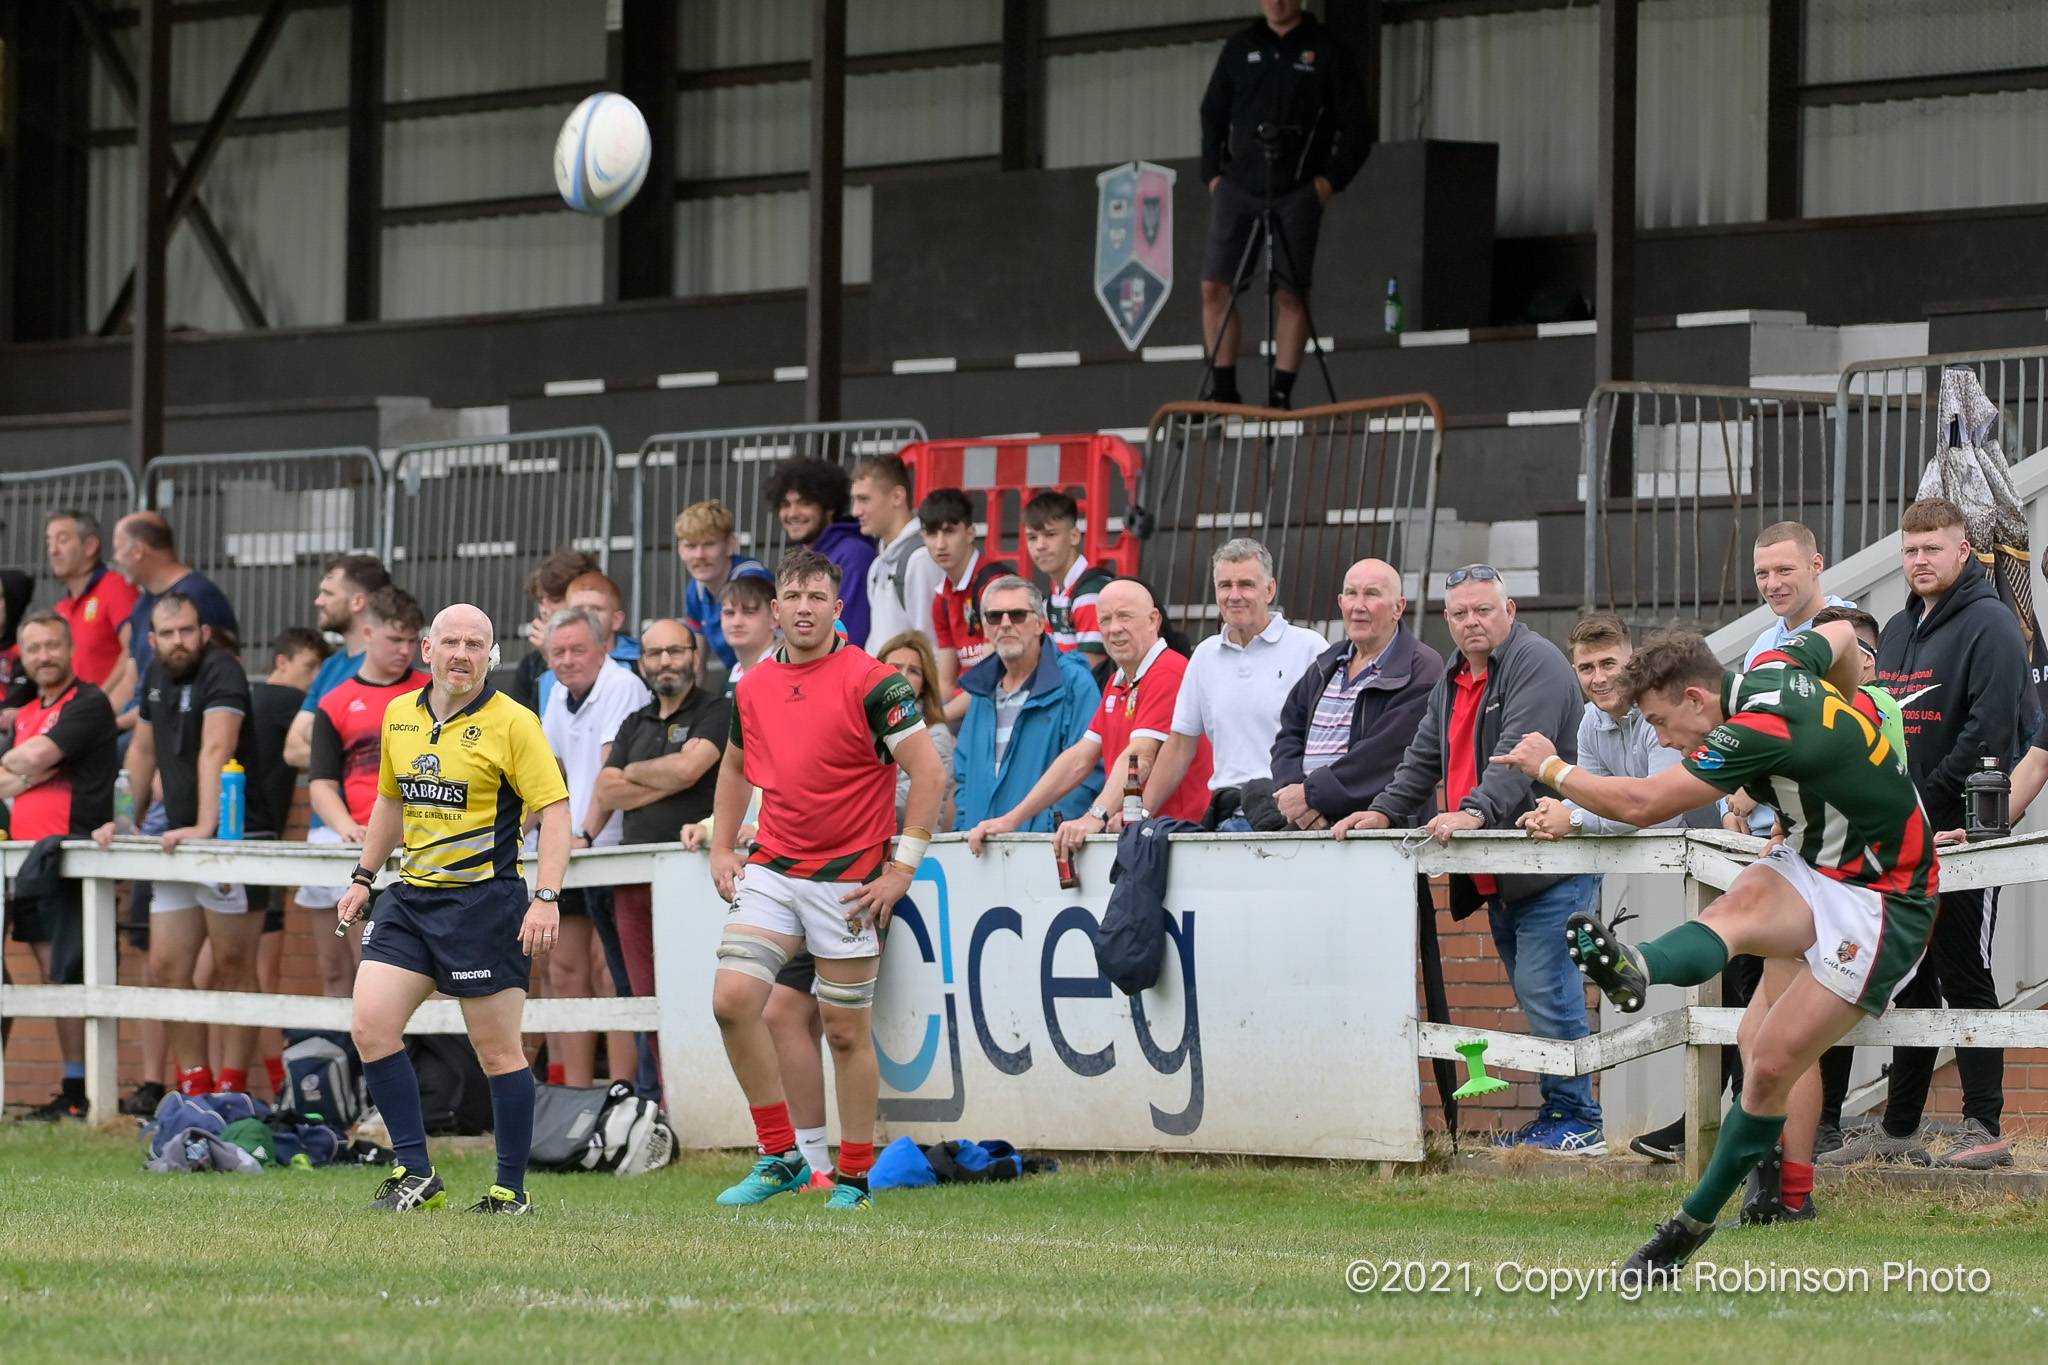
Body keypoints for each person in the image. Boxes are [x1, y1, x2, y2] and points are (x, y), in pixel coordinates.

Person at [1493, 623, 1938, 1273]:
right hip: (1819, 861)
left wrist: (1552, 767)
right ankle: (1636, 965)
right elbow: (1842, 635)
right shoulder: (1774, 665)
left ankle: (1687, 1227)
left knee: (1768, 1064)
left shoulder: (1751, 729)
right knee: (1734, 912)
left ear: (1698, 698)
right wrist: (1855, 710)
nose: (1664, 740)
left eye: (1661, 724)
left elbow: (1646, 802)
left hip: (1888, 898)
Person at [707, 547, 945, 1211]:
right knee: (733, 1001)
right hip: (774, 868)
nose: (805, 608)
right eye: (794, 597)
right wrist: (723, 846)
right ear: (775, 608)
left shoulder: (877, 683)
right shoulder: (750, 685)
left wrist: (901, 870)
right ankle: (779, 1154)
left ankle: (855, 1177)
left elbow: (928, 773)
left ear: (838, 609)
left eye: (819, 597)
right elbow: (733, 766)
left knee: (845, 1032)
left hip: (851, 880)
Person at [1332, 566, 1600, 1154]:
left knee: (1547, 991)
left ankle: (1581, 1121)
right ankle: (1563, 1115)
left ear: (1510, 609)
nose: (1471, 622)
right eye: (1459, 614)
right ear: (1446, 619)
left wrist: (1474, 813)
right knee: (1537, 993)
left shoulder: (1539, 662)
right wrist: (1382, 811)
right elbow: (1423, 757)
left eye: (1483, 610)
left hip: (1551, 863)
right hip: (1502, 874)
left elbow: (1518, 755)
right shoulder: (1453, 676)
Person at [335, 604, 571, 1214]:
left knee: (497, 1052)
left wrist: (545, 898)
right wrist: (364, 877)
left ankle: (509, 1192)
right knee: (370, 1026)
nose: (463, 654)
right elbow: (391, 802)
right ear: (427, 650)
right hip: (410, 899)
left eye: (476, 644)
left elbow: (557, 812)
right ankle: (416, 1172)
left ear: (491, 656)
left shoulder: (514, 723)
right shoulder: (398, 715)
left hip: (485, 905)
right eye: (452, 642)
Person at [1820, 497, 2028, 1171]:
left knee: (1965, 967)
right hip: (1901, 835)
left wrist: (1922, 806)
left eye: (1932, 548)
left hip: (1963, 833)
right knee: (1910, 976)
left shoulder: (1992, 624)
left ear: (1963, 550)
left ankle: (1984, 1125)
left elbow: (1990, 733)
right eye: (1910, 550)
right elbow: (1880, 728)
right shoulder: (1903, 630)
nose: (1919, 561)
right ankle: (1901, 1127)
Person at [93, 593, 274, 1096]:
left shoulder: (223, 671)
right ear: (152, 640)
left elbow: (219, 745)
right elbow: (143, 749)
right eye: (167, 634)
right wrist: (126, 822)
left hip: (236, 835)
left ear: (204, 632)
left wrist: (204, 825)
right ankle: (195, 1088)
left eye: (187, 631)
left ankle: (233, 1092)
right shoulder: (153, 675)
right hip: (177, 838)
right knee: (166, 966)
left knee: (234, 962)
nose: (178, 641)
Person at [1198, 0, 1369, 409]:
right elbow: (1212, 112)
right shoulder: (1240, 47)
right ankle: (1224, 395)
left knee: (1292, 293)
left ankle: (1280, 397)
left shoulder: (1328, 51)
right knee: (1214, 287)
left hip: (1297, 189)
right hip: (1238, 187)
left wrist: (1328, 183)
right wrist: (1213, 176)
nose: (1277, 2)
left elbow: (1358, 126)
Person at [966, 579, 1208, 860]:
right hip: (1147, 842)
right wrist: (1012, 819)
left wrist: (1095, 815)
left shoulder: (1168, 670)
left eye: (1124, 616)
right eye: (1105, 619)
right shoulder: (1118, 681)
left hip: (1182, 844)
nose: (1114, 627)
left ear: (1154, 620)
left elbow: (1141, 757)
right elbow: (1079, 758)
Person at [595, 620, 730, 1089]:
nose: (665, 662)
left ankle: (708, 1092)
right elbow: (606, 791)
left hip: (695, 874)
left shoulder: (719, 710)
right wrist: (666, 776)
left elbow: (692, 768)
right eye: (654, 653)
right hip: (635, 877)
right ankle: (664, 1099)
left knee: (699, 987)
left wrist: (634, 771)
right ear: (641, 663)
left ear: (695, 656)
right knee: (643, 991)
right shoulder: (635, 721)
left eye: (675, 651)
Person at [4, 611, 119, 1120]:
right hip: (29, 860)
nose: (43, 656)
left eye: (52, 646)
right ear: (23, 656)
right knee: (53, 975)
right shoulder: (28, 711)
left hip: (70, 859)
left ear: (69, 649)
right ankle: (73, 1086)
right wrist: (28, 768)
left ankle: (85, 1089)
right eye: (34, 649)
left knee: (72, 972)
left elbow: (25, 764)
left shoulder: (89, 703)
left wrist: (31, 767)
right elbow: (10, 780)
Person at [539, 603, 651, 1088]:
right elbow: (546, 776)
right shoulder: (558, 694)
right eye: (558, 651)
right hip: (572, 853)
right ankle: (574, 1095)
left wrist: (582, 835)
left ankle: (622, 1095)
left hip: (611, 850)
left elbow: (610, 776)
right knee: (565, 971)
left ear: (604, 647)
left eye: (578, 649)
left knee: (612, 975)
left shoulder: (622, 686)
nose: (567, 660)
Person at [1137, 540, 1324, 829]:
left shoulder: (1309, 648)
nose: (1234, 595)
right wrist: (1141, 816)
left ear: (1270, 590)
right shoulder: (1205, 655)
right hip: (1226, 819)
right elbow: (1179, 746)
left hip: (1291, 821)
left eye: (1245, 584)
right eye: (1225, 585)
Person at [306, 588, 428, 998]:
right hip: (365, 851)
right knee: (368, 969)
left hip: (431, 847)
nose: (406, 650)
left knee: (428, 975)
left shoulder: (435, 691)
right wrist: (348, 828)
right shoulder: (336, 701)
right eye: (396, 639)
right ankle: (371, 1062)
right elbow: (321, 783)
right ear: (368, 633)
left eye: (413, 641)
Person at [282, 556, 397, 990]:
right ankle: (344, 1062)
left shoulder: (391, 669)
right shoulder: (330, 669)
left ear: (358, 601)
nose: (318, 600)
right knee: (332, 973)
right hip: (323, 831)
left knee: (371, 972)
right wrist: (349, 749)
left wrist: (336, 749)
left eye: (328, 591)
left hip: (371, 832)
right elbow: (293, 747)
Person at [1262, 558, 1440, 828]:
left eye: (1372, 594)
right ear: (1340, 601)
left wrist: (1310, 795)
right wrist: (1296, 799)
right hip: (1310, 824)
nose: (1358, 606)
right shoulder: (1326, 664)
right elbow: (1289, 735)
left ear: (1398, 607)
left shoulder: (1420, 668)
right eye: (1351, 594)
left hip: (1379, 830)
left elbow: (1385, 755)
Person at [1727, 523, 1855, 836]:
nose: (1772, 584)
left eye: (1785, 570)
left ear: (1817, 565)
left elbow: (1825, 735)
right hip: (1753, 831)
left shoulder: (1851, 633)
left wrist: (1754, 789)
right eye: (1762, 574)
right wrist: (1728, 807)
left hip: (1820, 831)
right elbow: (1745, 733)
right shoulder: (1760, 646)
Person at [950, 577, 1102, 836]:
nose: (1006, 624)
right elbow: (964, 776)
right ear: (985, 629)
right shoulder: (980, 690)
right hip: (981, 851)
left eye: (1018, 615)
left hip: (1044, 851)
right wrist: (967, 828)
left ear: (1040, 624)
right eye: (995, 617)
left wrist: (1041, 832)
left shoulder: (1075, 683)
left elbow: (1089, 772)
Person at [247, 624, 328, 1091]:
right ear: (281, 662)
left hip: (240, 842)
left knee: (229, 971)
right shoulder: (281, 702)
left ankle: (233, 1081)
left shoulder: (250, 702)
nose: (315, 679)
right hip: (260, 846)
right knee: (262, 971)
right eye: (309, 667)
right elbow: (333, 729)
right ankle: (279, 1083)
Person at [921, 487, 1016, 722]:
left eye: (950, 532)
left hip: (1001, 707)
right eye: (932, 534)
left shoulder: (995, 586)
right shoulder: (941, 598)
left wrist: (936, 721)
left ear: (971, 533)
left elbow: (990, 677)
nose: (940, 544)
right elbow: (945, 681)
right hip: (964, 711)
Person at [113, 511, 240, 685]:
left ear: (138, 551)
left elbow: (202, 684)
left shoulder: (199, 597)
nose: (116, 558)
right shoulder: (142, 605)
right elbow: (131, 679)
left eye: (118, 549)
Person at [765, 456, 877, 647]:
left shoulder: (854, 554)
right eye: (785, 505)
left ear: (829, 507)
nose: (792, 513)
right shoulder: (802, 556)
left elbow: (851, 636)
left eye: (805, 503)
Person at [47, 508, 140, 710]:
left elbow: (134, 649)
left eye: (62, 540)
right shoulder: (62, 607)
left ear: (90, 546)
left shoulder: (117, 588)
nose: (52, 550)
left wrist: (99, 700)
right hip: (72, 715)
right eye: (49, 542)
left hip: (108, 714)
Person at [852, 455, 942, 654]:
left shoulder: (921, 559)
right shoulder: (877, 565)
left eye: (864, 499)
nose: (856, 511)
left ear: (897, 497)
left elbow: (931, 648)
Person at [1021, 491, 1114, 681]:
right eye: (1032, 537)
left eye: (1051, 534)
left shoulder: (1091, 591)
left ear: (1074, 536)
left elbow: (1089, 672)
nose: (1040, 545)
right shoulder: (1052, 598)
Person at [677, 499, 775, 675]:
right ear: (680, 550)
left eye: (709, 544)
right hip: (740, 674)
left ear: (730, 544)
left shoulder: (750, 578)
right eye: (691, 546)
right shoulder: (696, 589)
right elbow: (697, 662)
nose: (699, 555)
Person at [876, 631, 958, 834]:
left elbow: (905, 805)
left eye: (913, 671)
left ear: (923, 686)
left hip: (915, 856)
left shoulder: (936, 734)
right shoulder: (861, 728)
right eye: (894, 667)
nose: (901, 677)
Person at [509, 548, 601, 713]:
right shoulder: (530, 665)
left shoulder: (626, 657)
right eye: (540, 601)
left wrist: (553, 656)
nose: (544, 610)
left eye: (556, 600)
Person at [536, 571, 641, 714]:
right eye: (577, 610)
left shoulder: (640, 664)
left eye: (596, 609)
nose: (585, 616)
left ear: (616, 620)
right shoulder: (551, 679)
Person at [719, 574, 778, 693]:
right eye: (729, 613)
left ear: (774, 619)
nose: (737, 623)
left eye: (749, 613)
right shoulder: (729, 678)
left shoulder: (787, 670)